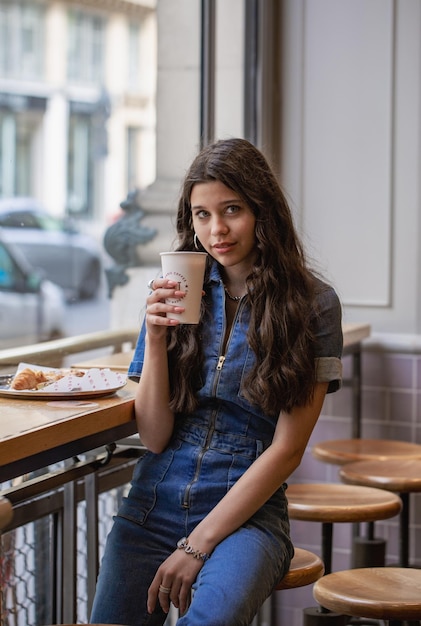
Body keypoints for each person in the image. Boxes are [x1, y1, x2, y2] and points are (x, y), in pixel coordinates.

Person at [90, 138, 343, 626]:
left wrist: (198, 543)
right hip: (152, 501)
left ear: (262, 211)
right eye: (201, 215)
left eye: (232, 210)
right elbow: (155, 435)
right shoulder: (176, 289)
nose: (217, 230)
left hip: (247, 517)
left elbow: (287, 450)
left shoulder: (313, 304)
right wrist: (157, 340)